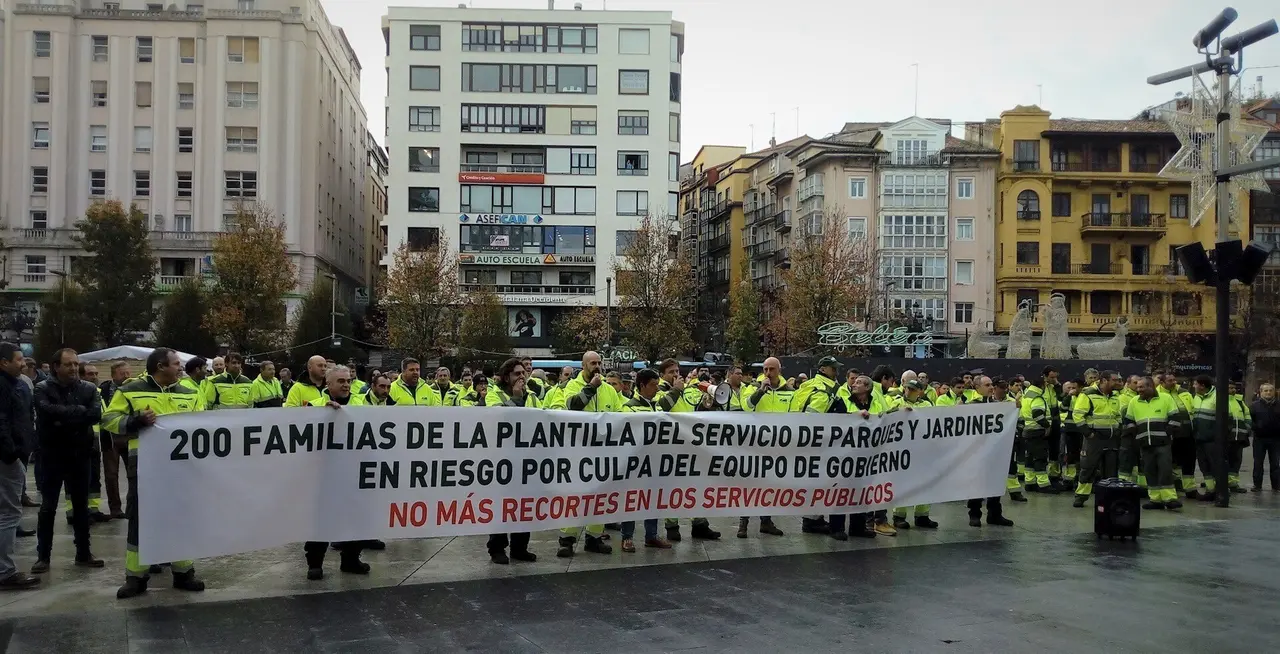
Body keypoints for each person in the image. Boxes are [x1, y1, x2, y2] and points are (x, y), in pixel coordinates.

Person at [103, 347, 206, 598]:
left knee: (181, 517)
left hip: (181, 466)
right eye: (176, 364)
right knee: (140, 519)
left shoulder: (190, 392)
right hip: (144, 465)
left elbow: (202, 423)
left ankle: (184, 572)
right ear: (160, 366)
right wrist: (135, 421)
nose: (181, 368)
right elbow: (109, 419)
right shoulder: (130, 390)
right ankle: (136, 578)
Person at [32, 348, 106, 573]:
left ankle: (83, 553)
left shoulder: (89, 388)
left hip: (80, 454)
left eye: (75, 363)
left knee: (81, 507)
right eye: (68, 364)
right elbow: (46, 412)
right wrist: (78, 412)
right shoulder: (42, 388)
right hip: (52, 455)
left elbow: (95, 415)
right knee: (48, 507)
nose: (74, 368)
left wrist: (63, 416)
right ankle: (43, 556)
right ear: (56, 367)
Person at [305, 366, 371, 580]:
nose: (346, 385)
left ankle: (351, 559)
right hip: (324, 472)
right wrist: (323, 416)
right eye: (341, 381)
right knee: (321, 519)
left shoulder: (361, 404)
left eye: (348, 381)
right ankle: (315, 563)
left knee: (357, 516)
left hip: (354, 470)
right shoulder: (315, 405)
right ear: (328, 384)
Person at [555, 351, 618, 557]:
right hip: (578, 452)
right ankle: (567, 539)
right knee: (576, 495)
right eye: (592, 363)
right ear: (583, 366)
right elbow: (572, 406)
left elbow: (620, 416)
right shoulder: (572, 386)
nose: (597, 366)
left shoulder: (609, 389)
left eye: (599, 362)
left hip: (602, 453)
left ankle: (594, 538)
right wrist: (591, 387)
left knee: (600, 496)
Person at [483, 358, 539, 564]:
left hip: (526, 459)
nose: (522, 377)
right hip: (501, 459)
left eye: (524, 373)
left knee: (524, 506)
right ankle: (497, 548)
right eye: (517, 374)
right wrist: (515, 399)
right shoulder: (494, 394)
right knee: (501, 506)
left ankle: (520, 547)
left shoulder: (532, 396)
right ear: (506, 377)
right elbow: (498, 419)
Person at [618, 368, 672, 552]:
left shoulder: (658, 406)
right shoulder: (628, 408)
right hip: (635, 463)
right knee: (631, 499)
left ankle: (652, 536)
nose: (657, 389)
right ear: (642, 385)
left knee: (653, 499)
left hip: (655, 461)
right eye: (653, 385)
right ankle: (627, 537)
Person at [0, 343, 39, 589]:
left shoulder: (15, 384)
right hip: (7, 459)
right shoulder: (4, 386)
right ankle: (5, 571)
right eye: (19, 360)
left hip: (13, 455)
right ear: (4, 362)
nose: (23, 364)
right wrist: (11, 454)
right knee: (8, 513)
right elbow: (2, 422)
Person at [793, 357, 843, 533]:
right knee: (817, 482)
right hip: (816, 442)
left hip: (806, 440)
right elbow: (813, 418)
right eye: (833, 368)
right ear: (823, 369)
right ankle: (812, 521)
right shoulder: (824, 389)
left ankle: (814, 518)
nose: (836, 371)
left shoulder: (813, 384)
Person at [828, 375, 881, 540]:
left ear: (868, 388)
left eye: (859, 383)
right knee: (841, 491)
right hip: (845, 454)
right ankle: (836, 527)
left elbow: (885, 417)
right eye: (854, 382)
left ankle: (858, 527)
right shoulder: (842, 400)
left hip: (866, 455)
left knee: (862, 491)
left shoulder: (876, 403)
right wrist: (855, 415)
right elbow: (832, 420)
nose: (854, 384)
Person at [1122, 376, 1184, 511]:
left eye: (1141, 387)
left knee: (1165, 470)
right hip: (1144, 444)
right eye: (1137, 387)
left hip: (1163, 443)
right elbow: (1128, 420)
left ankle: (1170, 499)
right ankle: (1155, 499)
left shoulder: (1166, 398)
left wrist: (1167, 433)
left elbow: (1175, 418)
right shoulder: (1134, 401)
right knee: (1149, 471)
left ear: (1150, 386)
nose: (1138, 390)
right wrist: (1135, 433)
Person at [967, 376, 1015, 528]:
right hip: (977, 451)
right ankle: (974, 514)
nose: (991, 387)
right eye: (987, 385)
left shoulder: (997, 405)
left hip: (994, 450)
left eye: (991, 385)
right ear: (977, 388)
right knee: (977, 483)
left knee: (995, 481)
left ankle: (994, 514)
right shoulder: (970, 406)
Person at [890, 379, 938, 530]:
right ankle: (899, 516)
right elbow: (886, 416)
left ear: (919, 391)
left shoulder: (927, 405)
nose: (909, 391)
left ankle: (922, 515)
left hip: (922, 448)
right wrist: (899, 413)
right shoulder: (896, 402)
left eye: (912, 389)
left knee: (924, 481)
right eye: (907, 388)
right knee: (902, 482)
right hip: (902, 448)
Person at [1071, 371, 1124, 509]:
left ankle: (1108, 498)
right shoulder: (1087, 394)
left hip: (1111, 438)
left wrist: (1118, 428)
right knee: (1088, 467)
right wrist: (1088, 434)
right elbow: (1078, 415)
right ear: (1104, 380)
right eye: (1114, 380)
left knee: (1111, 470)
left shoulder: (1114, 396)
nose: (1118, 383)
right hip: (1094, 438)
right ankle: (1081, 496)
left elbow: (1118, 415)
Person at [1157, 372, 1198, 498]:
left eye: (1174, 380)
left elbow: (1193, 409)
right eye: (1170, 381)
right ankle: (1174, 486)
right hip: (1170, 435)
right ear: (1162, 383)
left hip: (1187, 434)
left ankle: (1190, 489)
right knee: (1171, 462)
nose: (1174, 382)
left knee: (1189, 461)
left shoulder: (1184, 393)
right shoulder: (1157, 394)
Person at [1189, 375, 1224, 503]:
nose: (1194, 386)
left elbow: (1225, 419)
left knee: (1215, 466)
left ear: (1202, 386)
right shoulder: (1197, 397)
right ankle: (1211, 490)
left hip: (1212, 439)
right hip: (1199, 438)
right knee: (1204, 467)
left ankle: (1221, 492)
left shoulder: (1217, 397)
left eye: (1195, 384)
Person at [1019, 374, 1056, 494]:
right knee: (1040, 458)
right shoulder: (1037, 397)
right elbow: (1038, 415)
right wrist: (1047, 426)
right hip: (1037, 431)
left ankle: (1030, 483)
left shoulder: (1027, 395)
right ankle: (1043, 484)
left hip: (1028, 430)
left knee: (1030, 458)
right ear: (1042, 385)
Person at [1251, 383, 1278, 492]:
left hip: (1276, 439)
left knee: (1275, 463)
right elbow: (1250, 420)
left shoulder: (1279, 404)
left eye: (1270, 390)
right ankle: (1257, 485)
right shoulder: (1254, 405)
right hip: (1259, 439)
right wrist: (1256, 427)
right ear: (1261, 392)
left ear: (1274, 392)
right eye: (1265, 390)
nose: (1268, 392)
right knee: (1258, 463)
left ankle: (1276, 486)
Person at [1226, 381, 1252, 494]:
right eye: (1230, 388)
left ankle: (1233, 484)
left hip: (1239, 438)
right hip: (1226, 438)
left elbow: (1247, 416)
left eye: (1233, 388)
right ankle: (1221, 482)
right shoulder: (1219, 400)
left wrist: (1246, 429)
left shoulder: (1240, 402)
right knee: (1223, 460)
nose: (1232, 390)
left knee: (1236, 461)